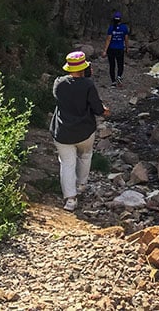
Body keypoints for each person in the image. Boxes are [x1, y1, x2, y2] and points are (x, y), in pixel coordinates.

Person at [50, 50, 110, 211]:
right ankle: (81, 185)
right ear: (84, 68)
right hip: (85, 131)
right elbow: (97, 109)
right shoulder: (88, 85)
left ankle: (70, 200)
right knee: (85, 155)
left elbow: (64, 96)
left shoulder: (58, 84)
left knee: (67, 163)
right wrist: (104, 110)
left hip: (62, 131)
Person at [102, 11, 129, 87]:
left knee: (112, 65)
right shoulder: (124, 28)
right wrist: (127, 48)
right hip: (120, 49)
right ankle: (119, 76)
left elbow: (108, 40)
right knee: (120, 64)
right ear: (121, 19)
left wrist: (105, 50)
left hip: (111, 49)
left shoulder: (111, 28)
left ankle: (113, 81)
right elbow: (126, 39)